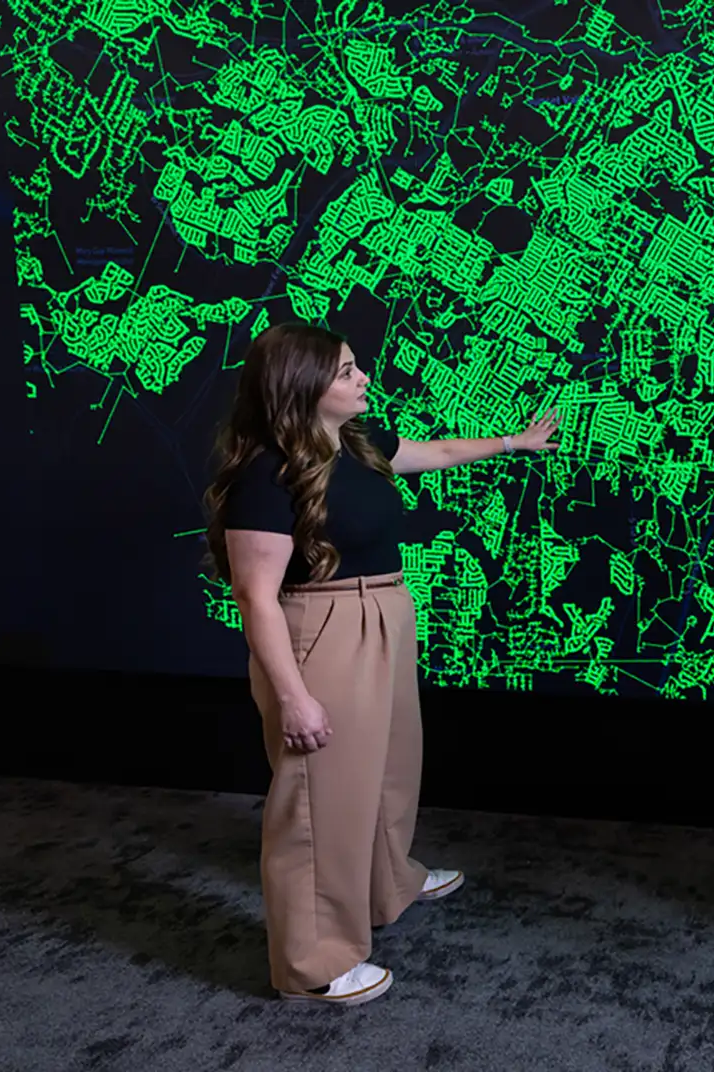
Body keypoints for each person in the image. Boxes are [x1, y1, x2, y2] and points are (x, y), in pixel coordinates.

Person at [202, 321, 558, 1006]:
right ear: (304, 387)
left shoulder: (358, 445)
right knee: (318, 801)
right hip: (323, 628)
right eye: (345, 371)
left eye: (355, 365)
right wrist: (296, 697)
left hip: (386, 617)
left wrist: (514, 441)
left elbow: (442, 451)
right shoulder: (265, 475)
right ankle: (312, 964)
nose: (362, 377)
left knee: (390, 769)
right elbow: (255, 596)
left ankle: (387, 882)